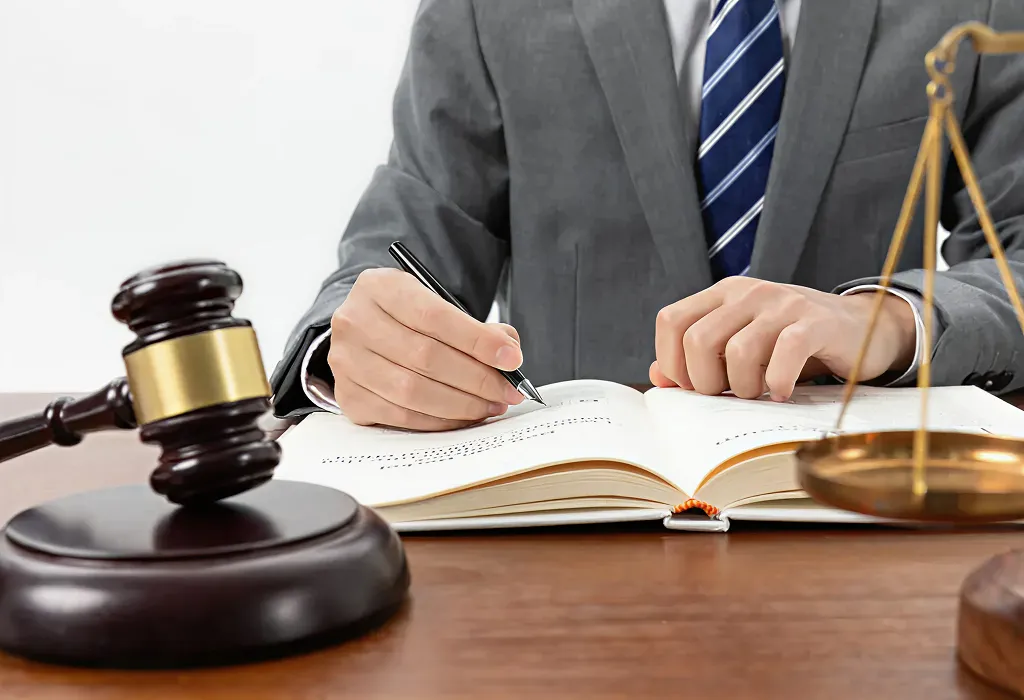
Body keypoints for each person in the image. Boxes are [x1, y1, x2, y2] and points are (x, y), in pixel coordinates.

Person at [270, 0, 1024, 432]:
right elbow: (400, 243)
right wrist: (350, 353)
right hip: (563, 521)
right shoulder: (485, 13)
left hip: (851, 512)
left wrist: (890, 320)